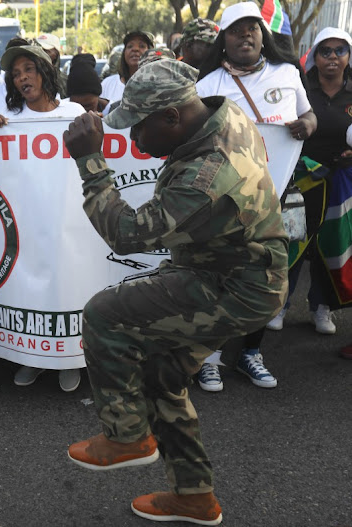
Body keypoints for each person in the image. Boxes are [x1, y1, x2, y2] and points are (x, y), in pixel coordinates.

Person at [63, 59, 287, 525]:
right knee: (161, 372)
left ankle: (126, 437)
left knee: (105, 314)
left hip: (236, 285)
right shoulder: (220, 114)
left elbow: (126, 234)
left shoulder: (209, 173)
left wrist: (90, 160)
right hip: (234, 271)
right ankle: (193, 496)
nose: (133, 139)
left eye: (139, 128)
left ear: (171, 117)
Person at [195, 1, 317, 391]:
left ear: (263, 35)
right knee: (220, 276)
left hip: (274, 202)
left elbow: (310, 115)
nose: (245, 35)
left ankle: (250, 353)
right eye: (236, 30)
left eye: (252, 28)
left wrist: (306, 126)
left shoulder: (288, 73)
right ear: (224, 41)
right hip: (223, 202)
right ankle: (210, 357)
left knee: (266, 278)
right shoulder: (209, 83)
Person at [0, 43, 86, 392]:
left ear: (45, 71)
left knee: (70, 287)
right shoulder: (11, 122)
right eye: (16, 74)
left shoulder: (74, 111)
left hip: (69, 218)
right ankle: (32, 357)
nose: (21, 78)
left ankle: (71, 358)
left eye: (28, 70)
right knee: (31, 290)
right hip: (28, 222)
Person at [267, 28, 352, 334]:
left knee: (331, 244)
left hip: (343, 182)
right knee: (293, 240)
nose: (332, 57)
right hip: (303, 179)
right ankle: (280, 305)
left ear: (348, 56)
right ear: (315, 57)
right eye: (325, 51)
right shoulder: (302, 91)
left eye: (339, 51)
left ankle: (322, 307)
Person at [100, 31, 154, 114]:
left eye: (142, 46)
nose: (135, 49)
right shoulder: (107, 84)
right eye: (130, 46)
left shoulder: (157, 86)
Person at [35, 33, 68, 98]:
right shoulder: (27, 77)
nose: (40, 54)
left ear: (56, 54)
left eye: (45, 51)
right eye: (38, 50)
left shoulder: (64, 81)